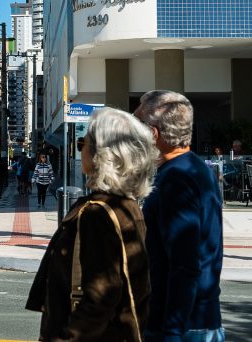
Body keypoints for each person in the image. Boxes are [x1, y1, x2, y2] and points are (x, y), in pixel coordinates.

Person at [27, 107, 157, 341]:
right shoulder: (127, 205)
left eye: (83, 143)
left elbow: (100, 297)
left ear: (103, 154)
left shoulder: (97, 213)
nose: (81, 149)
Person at [134, 90, 225, 342]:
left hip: (182, 326)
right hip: (195, 320)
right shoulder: (195, 168)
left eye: (136, 126)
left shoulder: (176, 179)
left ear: (153, 134)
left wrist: (172, 333)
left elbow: (185, 264)